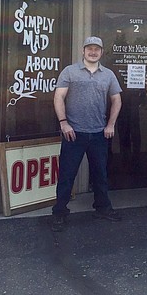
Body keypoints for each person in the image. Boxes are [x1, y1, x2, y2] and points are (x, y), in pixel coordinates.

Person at [51, 36, 123, 232]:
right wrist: (64, 123)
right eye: (89, 48)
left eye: (97, 49)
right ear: (83, 51)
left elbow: (117, 100)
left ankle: (103, 208)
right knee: (67, 175)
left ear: (101, 52)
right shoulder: (70, 71)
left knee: (100, 174)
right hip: (73, 133)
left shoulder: (108, 74)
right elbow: (59, 97)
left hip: (99, 133)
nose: (93, 52)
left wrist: (111, 124)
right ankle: (59, 212)